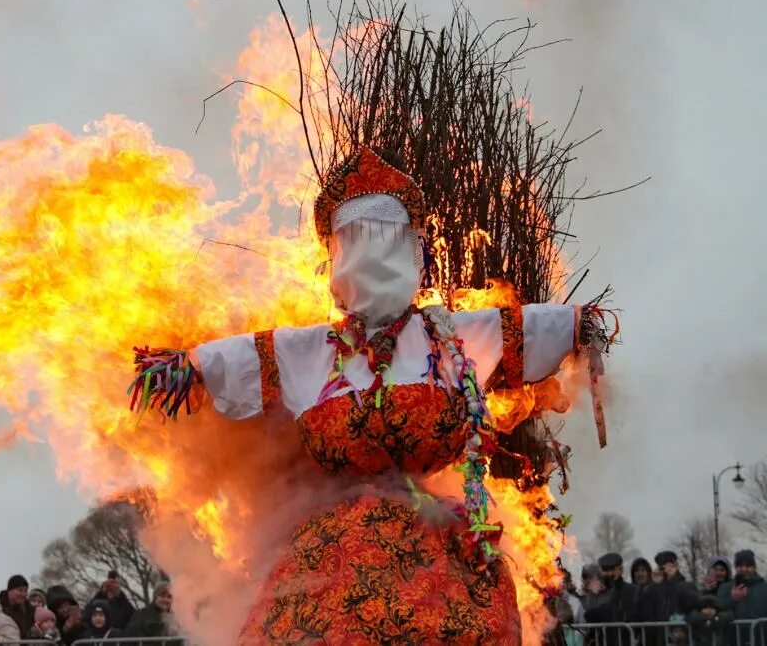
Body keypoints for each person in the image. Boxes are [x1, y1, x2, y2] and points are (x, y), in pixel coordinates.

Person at [130, 145, 612, 642]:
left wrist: (580, 326)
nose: (372, 256)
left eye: (386, 241)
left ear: (413, 249)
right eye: (356, 242)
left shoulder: (450, 337)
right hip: (334, 552)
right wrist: (181, 367)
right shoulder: (310, 351)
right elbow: (232, 359)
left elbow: (531, 327)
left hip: (442, 551)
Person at [717, 549, 767, 643]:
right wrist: (732, 599)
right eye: (740, 566)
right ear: (736, 568)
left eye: (748, 565)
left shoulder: (764, 587)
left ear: (754, 567)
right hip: (734, 640)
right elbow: (717, 608)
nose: (744, 569)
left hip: (761, 639)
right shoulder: (726, 587)